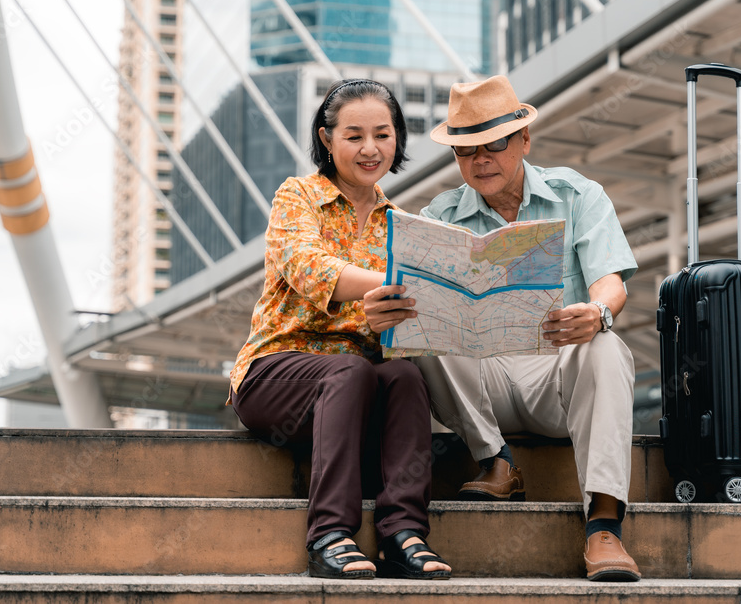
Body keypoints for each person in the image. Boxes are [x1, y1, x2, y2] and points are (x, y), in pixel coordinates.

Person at [367, 75, 641, 581]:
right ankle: (495, 461)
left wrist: (597, 312)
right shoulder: (438, 217)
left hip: (558, 382)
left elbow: (612, 283)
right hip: (477, 387)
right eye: (465, 149)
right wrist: (386, 308)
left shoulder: (578, 195)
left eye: (494, 143)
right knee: (421, 312)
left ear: (524, 141)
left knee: (606, 344)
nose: (481, 158)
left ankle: (604, 528)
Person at [228, 79, 451, 581]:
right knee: (349, 371)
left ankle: (403, 534)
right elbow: (307, 266)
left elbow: (399, 325)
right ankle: (330, 534)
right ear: (327, 140)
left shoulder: (401, 223)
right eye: (354, 136)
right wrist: (396, 286)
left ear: (397, 140)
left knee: (406, 377)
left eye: (383, 134)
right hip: (275, 376)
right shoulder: (297, 195)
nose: (370, 149)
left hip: (357, 389)